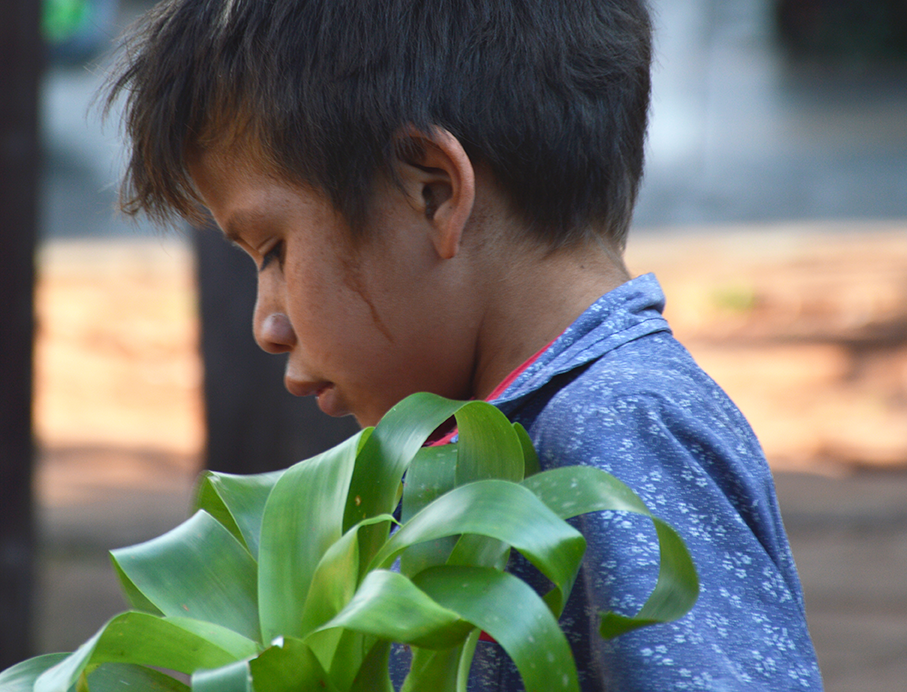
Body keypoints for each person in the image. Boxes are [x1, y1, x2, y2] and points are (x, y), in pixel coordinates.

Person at [104, 0, 823, 689]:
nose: (267, 323)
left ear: (434, 193)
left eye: (273, 250)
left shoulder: (616, 425)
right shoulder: (475, 438)